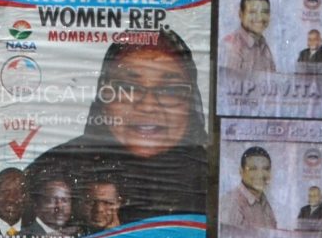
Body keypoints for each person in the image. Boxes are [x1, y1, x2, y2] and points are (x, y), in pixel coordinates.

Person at [32, 30, 211, 227]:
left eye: (170, 90)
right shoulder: (53, 169)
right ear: (104, 97)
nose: (148, 105)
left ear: (191, 103)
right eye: (128, 88)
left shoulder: (211, 175)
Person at [220, 0, 279, 106]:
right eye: (252, 12)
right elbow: (229, 95)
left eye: (265, 12)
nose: (260, 17)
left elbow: (272, 84)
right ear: (241, 15)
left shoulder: (263, 45)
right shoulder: (231, 45)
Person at [226, 144, 279, 233]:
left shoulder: (264, 201)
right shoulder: (232, 203)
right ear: (241, 172)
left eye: (265, 169)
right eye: (253, 169)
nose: (260, 174)